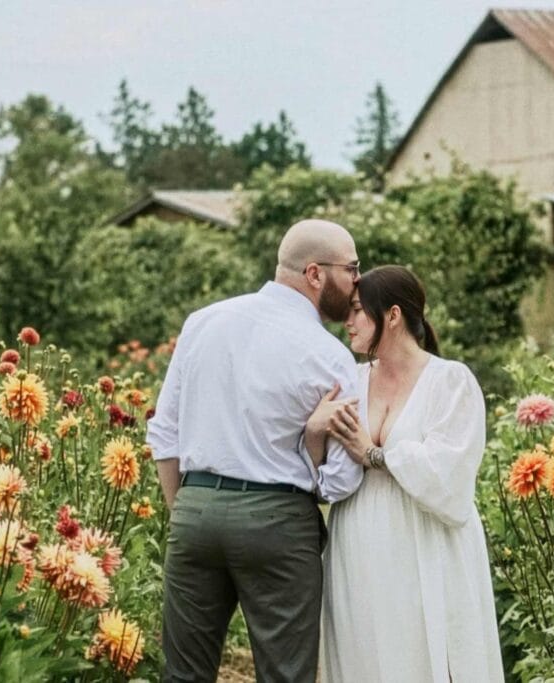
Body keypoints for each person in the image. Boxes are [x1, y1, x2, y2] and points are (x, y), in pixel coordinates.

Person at [146, 219, 365, 683]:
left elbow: (165, 432)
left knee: (183, 675)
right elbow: (342, 479)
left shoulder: (203, 321)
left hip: (195, 511)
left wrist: (185, 510)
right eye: (352, 268)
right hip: (277, 522)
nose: (357, 282)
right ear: (315, 274)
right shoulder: (330, 355)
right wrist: (311, 445)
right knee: (285, 674)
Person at [305, 265, 505, 682]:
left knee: (425, 649)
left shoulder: (450, 382)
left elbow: (450, 475)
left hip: (426, 539)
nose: (348, 321)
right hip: (358, 540)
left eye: (358, 310)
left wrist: (375, 454)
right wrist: (314, 433)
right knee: (365, 649)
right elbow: (322, 475)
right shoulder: (350, 382)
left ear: (392, 315)